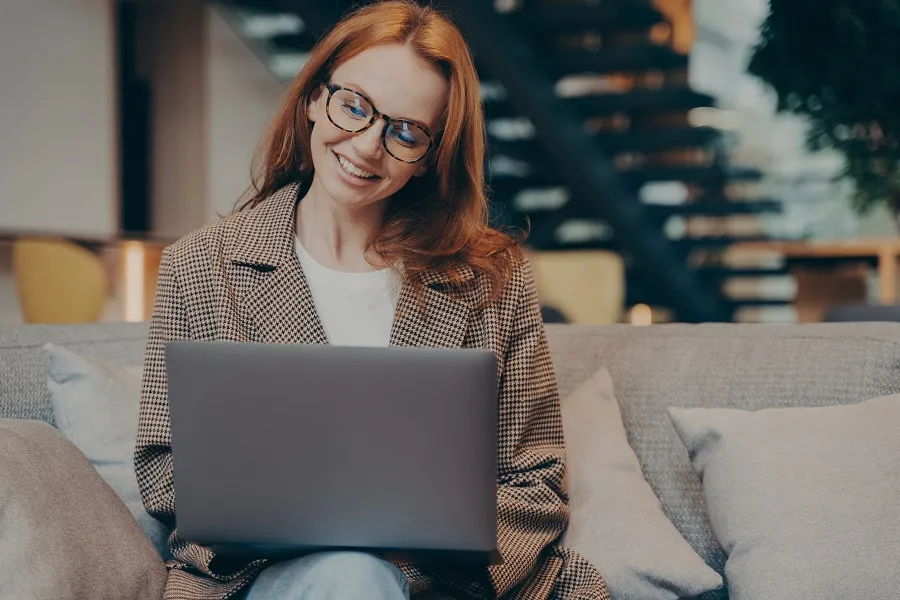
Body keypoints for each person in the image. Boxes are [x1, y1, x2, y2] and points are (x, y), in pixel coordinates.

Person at [134, 1, 610, 599]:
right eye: (354, 106)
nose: (366, 145)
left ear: (430, 157)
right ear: (313, 99)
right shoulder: (199, 267)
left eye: (405, 131)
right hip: (272, 579)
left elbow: (534, 482)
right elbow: (164, 467)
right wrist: (319, 530)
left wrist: (407, 552)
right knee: (349, 574)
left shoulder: (493, 278)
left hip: (444, 585)